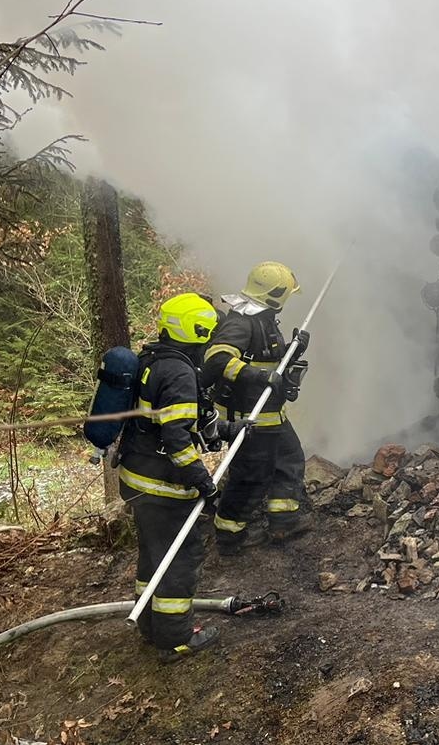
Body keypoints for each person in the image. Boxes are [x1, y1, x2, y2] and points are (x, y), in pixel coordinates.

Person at [117, 292, 223, 655]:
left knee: (153, 554)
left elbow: (162, 423)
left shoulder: (152, 359)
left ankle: (150, 626)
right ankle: (175, 638)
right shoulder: (178, 370)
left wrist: (228, 427)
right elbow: (176, 437)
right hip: (163, 486)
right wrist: (203, 482)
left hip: (137, 478)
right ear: (196, 331)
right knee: (180, 557)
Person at [201, 261, 308, 552]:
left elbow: (267, 358)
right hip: (248, 417)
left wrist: (293, 350)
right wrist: (259, 376)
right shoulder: (242, 320)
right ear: (276, 294)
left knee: (290, 460)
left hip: (270, 414)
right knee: (251, 476)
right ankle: (229, 536)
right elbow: (217, 359)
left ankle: (283, 524)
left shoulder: (264, 317)